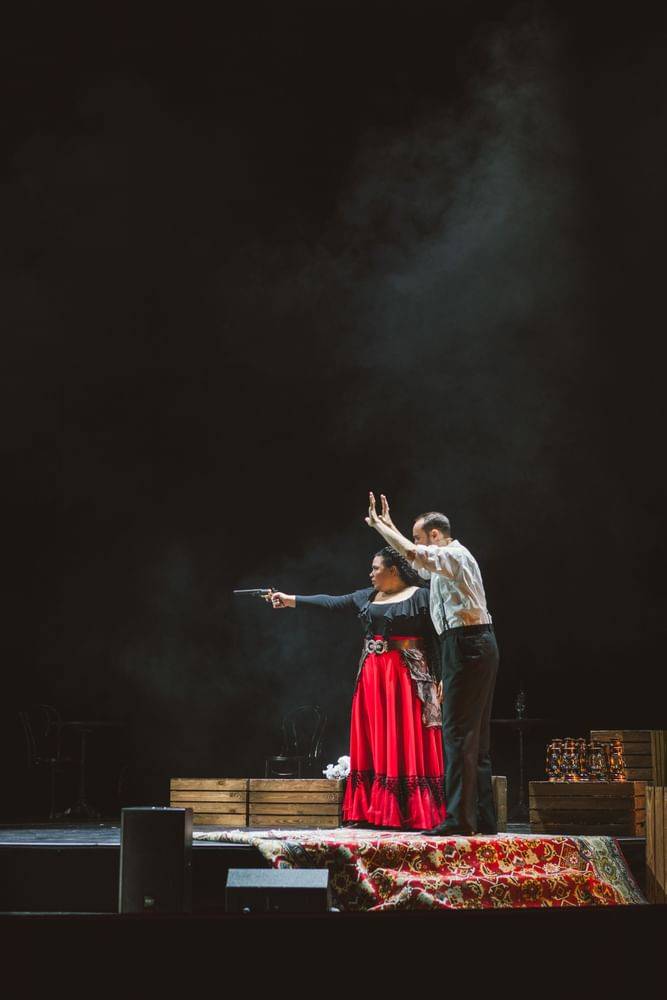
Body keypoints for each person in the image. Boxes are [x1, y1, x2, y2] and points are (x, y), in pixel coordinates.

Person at [269, 547, 446, 831]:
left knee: (404, 736)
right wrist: (290, 599)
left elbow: (438, 637)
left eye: (376, 568)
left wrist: (442, 676)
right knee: (375, 736)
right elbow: (331, 602)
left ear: (393, 570)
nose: (371, 573)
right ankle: (374, 810)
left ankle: (410, 811)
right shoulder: (368, 596)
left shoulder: (421, 597)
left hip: (405, 677)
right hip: (373, 675)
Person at [366, 492, 499, 836]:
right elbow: (416, 561)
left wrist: (382, 528)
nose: (415, 543)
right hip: (472, 642)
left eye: (419, 537)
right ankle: (482, 817)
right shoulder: (445, 564)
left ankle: (459, 819)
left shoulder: (454, 556)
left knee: (457, 733)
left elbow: (414, 555)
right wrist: (389, 529)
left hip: (467, 642)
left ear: (435, 535)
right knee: (475, 736)